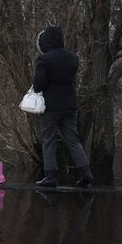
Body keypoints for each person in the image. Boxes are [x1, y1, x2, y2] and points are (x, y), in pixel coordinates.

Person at [32, 26, 94, 188]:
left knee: (49, 140)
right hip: (70, 105)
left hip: (51, 106)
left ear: (46, 41)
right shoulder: (72, 58)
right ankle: (86, 173)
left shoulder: (44, 59)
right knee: (73, 140)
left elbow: (38, 85)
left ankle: (51, 177)